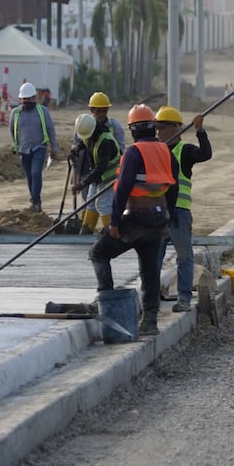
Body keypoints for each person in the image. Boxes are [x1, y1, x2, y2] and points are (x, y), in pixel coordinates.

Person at [88, 104, 179, 337]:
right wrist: (169, 221)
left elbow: (122, 189)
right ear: (153, 126)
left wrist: (114, 223)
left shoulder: (133, 152)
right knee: (150, 271)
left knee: (98, 253)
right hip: (159, 220)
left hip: (136, 218)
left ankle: (107, 307)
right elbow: (173, 189)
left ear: (132, 129)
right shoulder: (166, 151)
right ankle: (149, 321)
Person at [154, 105, 213, 313]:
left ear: (175, 128)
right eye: (156, 128)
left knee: (184, 257)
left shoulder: (184, 151)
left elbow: (205, 154)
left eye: (162, 128)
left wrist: (200, 131)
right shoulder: (156, 151)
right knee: (154, 257)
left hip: (179, 213)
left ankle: (184, 299)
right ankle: (151, 296)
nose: (158, 132)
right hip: (159, 213)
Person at [8, 82, 60, 212]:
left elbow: (51, 129)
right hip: (23, 150)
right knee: (30, 177)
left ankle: (34, 200)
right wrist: (17, 144)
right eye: (24, 99)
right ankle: (36, 201)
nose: (27, 101)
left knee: (36, 173)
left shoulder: (42, 111)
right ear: (21, 99)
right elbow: (12, 130)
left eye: (29, 98)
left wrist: (54, 148)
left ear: (34, 98)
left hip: (39, 148)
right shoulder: (16, 113)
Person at [71, 112, 121, 235]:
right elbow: (84, 142)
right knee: (91, 204)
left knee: (103, 206)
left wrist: (82, 183)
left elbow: (100, 169)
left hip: (110, 178)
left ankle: (112, 235)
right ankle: (86, 232)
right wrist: (77, 148)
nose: (86, 137)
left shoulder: (105, 142)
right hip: (97, 177)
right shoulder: (90, 134)